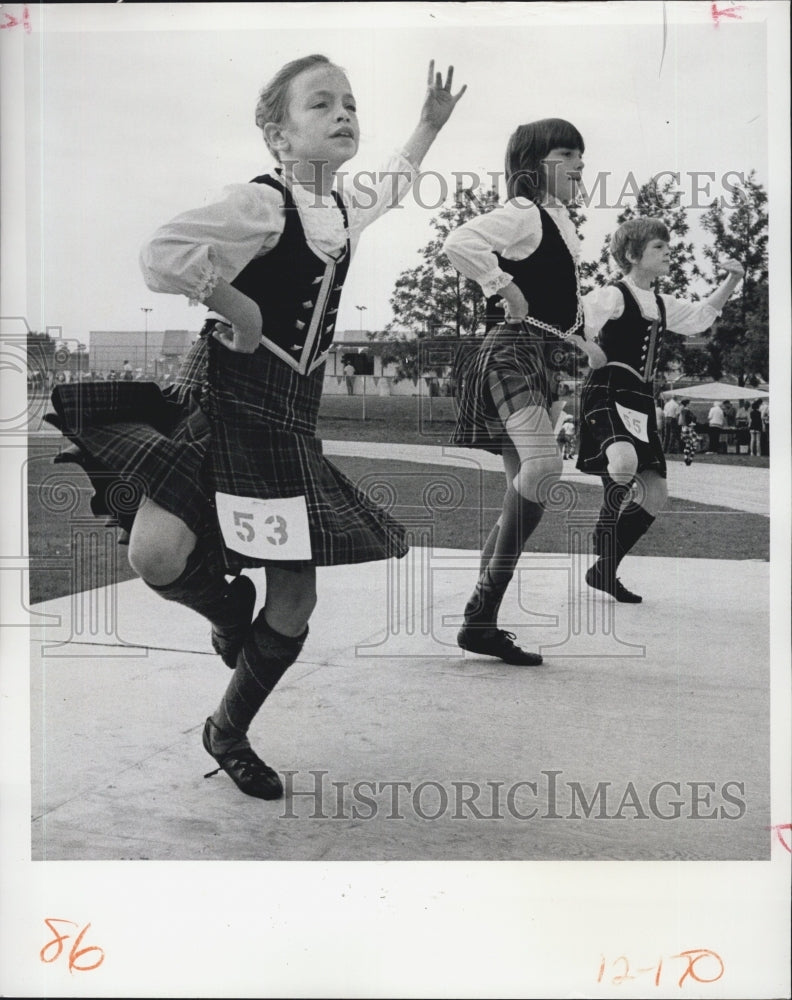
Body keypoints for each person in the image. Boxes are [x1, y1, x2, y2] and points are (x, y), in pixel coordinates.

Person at [46, 55, 465, 800]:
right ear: (277, 134)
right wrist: (236, 306)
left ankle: (228, 730)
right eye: (321, 105)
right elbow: (161, 254)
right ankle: (226, 610)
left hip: (289, 424)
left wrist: (427, 126)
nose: (343, 115)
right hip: (228, 403)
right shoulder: (260, 203)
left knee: (297, 600)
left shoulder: (341, 209)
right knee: (155, 556)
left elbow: (394, 184)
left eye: (350, 105)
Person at [445, 117, 605, 664]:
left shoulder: (559, 223)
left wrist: (584, 344)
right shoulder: (522, 213)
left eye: (581, 154)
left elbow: (560, 300)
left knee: (526, 485)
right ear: (534, 167)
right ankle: (479, 617)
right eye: (567, 153)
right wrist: (502, 284)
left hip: (543, 358)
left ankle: (481, 620)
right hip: (511, 351)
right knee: (543, 471)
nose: (580, 163)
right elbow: (459, 241)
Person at [576, 218, 744, 601]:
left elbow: (701, 317)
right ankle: (604, 541)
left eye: (668, 246)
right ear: (633, 255)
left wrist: (732, 281)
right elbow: (573, 317)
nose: (668, 251)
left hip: (640, 400)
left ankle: (604, 568)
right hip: (606, 392)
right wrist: (588, 347)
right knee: (621, 467)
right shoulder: (614, 295)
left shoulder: (662, 303)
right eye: (658, 247)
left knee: (656, 493)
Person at [678, 399, 700, 466]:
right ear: (687, 404)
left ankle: (686, 458)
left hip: (685, 428)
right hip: (688, 428)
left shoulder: (683, 411)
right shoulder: (686, 411)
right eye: (690, 403)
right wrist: (690, 424)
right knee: (694, 443)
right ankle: (690, 458)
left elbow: (681, 421)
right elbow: (687, 420)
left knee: (688, 443)